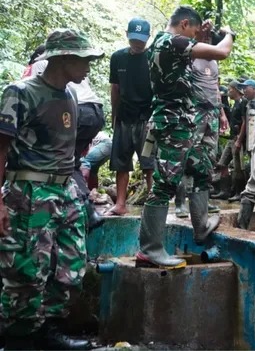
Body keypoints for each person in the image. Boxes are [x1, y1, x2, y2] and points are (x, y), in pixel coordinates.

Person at [0, 28, 103, 350]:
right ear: (62, 58)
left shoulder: (70, 96)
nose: (88, 66)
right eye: (83, 59)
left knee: (71, 266)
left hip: (64, 192)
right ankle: (18, 337)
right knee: (26, 271)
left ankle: (51, 329)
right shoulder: (20, 92)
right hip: (29, 192)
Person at [136, 6, 235, 269]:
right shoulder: (170, 41)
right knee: (165, 184)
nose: (194, 36)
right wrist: (229, 34)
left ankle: (200, 227)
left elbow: (192, 53)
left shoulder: (166, 43)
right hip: (171, 123)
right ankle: (150, 249)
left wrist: (199, 37)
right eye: (192, 31)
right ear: (183, 24)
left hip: (183, 121)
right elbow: (222, 52)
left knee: (201, 168)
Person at [30, 45, 106, 232]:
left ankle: (84, 210)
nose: (87, 69)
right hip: (95, 111)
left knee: (65, 159)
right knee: (71, 159)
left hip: (80, 108)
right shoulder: (48, 68)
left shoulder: (42, 66)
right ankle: (84, 210)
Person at [173, 27, 230, 218]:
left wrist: (222, 113)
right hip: (193, 112)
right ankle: (180, 202)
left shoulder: (214, 61)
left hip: (211, 113)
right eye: (203, 35)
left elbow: (215, 87)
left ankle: (202, 201)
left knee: (207, 158)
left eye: (209, 36)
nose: (206, 38)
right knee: (186, 155)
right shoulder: (190, 55)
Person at [106, 18, 155, 216]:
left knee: (149, 164)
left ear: (148, 39)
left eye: (141, 41)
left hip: (147, 118)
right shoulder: (117, 57)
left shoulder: (153, 58)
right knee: (121, 162)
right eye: (134, 40)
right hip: (125, 116)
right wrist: (114, 114)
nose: (137, 45)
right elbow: (115, 88)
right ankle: (120, 204)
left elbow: (160, 90)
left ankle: (154, 206)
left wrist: (156, 118)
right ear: (127, 34)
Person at [212, 80, 247, 200]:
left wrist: (239, 139)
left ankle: (239, 192)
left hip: (238, 139)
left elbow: (245, 122)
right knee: (222, 163)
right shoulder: (234, 104)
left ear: (236, 90)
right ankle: (224, 191)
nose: (228, 91)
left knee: (238, 167)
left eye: (230, 89)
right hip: (231, 138)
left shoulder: (242, 103)